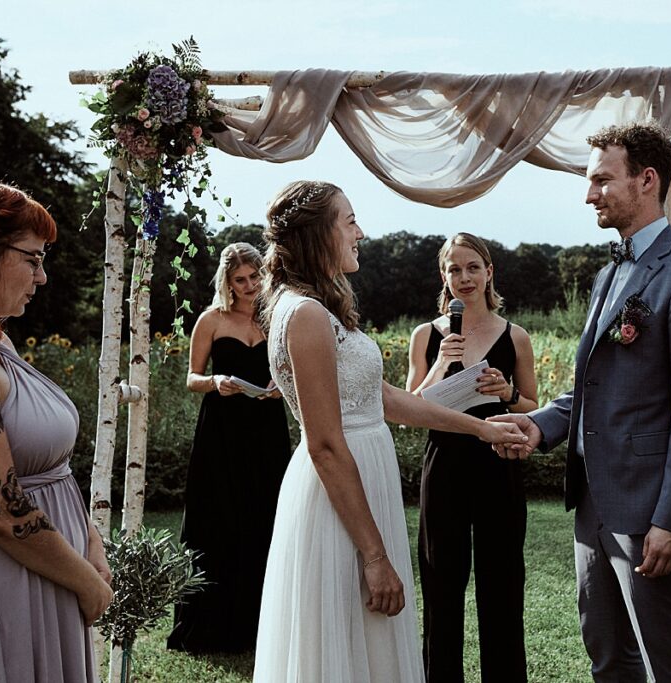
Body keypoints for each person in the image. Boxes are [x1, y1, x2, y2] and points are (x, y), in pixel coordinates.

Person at [251, 180, 528, 683]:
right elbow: (326, 445)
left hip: (363, 479)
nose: (361, 232)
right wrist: (374, 556)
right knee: (347, 631)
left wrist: (481, 430)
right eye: (350, 220)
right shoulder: (305, 315)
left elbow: (387, 399)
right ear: (319, 234)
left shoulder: (320, 309)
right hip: (340, 493)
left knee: (368, 634)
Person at [492, 121, 671, 682]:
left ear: (647, 180)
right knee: (608, 658)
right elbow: (596, 386)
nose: (588, 192)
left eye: (602, 179)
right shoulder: (608, 274)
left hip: (652, 512)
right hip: (594, 507)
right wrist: (542, 425)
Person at [0, 177, 113, 681]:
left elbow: (51, 471)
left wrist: (89, 540)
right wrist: (87, 585)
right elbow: (3, 511)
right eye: (32, 258)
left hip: (50, 570)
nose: (42, 277)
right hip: (1, 577)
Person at [406, 232, 538, 682]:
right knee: (442, 586)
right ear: (443, 276)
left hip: (499, 465)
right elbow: (410, 408)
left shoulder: (515, 336)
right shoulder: (426, 335)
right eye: (454, 269)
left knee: (502, 586)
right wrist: (442, 364)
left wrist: (509, 393)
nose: (464, 278)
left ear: (489, 272)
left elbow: (533, 408)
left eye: (472, 268)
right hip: (444, 465)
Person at [167, 242, 292, 654]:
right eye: (241, 280)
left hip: (267, 427)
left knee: (266, 515)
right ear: (227, 281)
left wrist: (281, 389)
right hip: (222, 430)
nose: (250, 285)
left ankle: (261, 627)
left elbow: (293, 372)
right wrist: (216, 382)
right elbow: (191, 377)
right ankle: (210, 626)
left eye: (255, 277)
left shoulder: (275, 318)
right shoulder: (211, 319)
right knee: (218, 517)